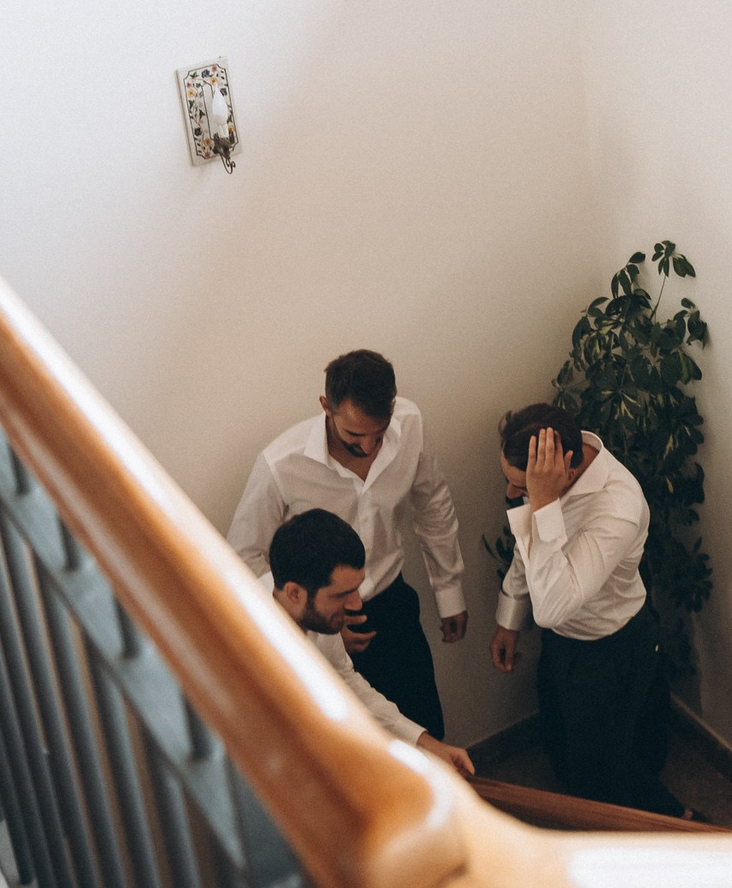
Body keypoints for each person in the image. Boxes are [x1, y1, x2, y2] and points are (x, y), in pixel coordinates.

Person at [228, 350, 467, 741]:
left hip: (393, 606)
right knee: (357, 747)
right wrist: (318, 629)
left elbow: (433, 503)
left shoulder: (411, 425)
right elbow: (243, 556)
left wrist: (450, 591)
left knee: (426, 731)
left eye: (379, 433)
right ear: (326, 407)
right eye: (355, 435)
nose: (369, 447)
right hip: (320, 619)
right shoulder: (280, 464)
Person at [488, 403, 682, 817]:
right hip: (564, 645)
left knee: (604, 770)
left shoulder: (617, 507)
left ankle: (679, 823)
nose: (510, 494)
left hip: (613, 649)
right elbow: (529, 553)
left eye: (517, 487)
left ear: (568, 470)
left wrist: (542, 505)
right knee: (563, 746)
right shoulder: (546, 467)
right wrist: (509, 621)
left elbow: (553, 607)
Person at [268, 510, 474, 776]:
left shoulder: (320, 616)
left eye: (357, 588)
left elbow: (345, 681)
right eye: (342, 594)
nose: (356, 604)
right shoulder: (245, 645)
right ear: (294, 593)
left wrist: (426, 744)